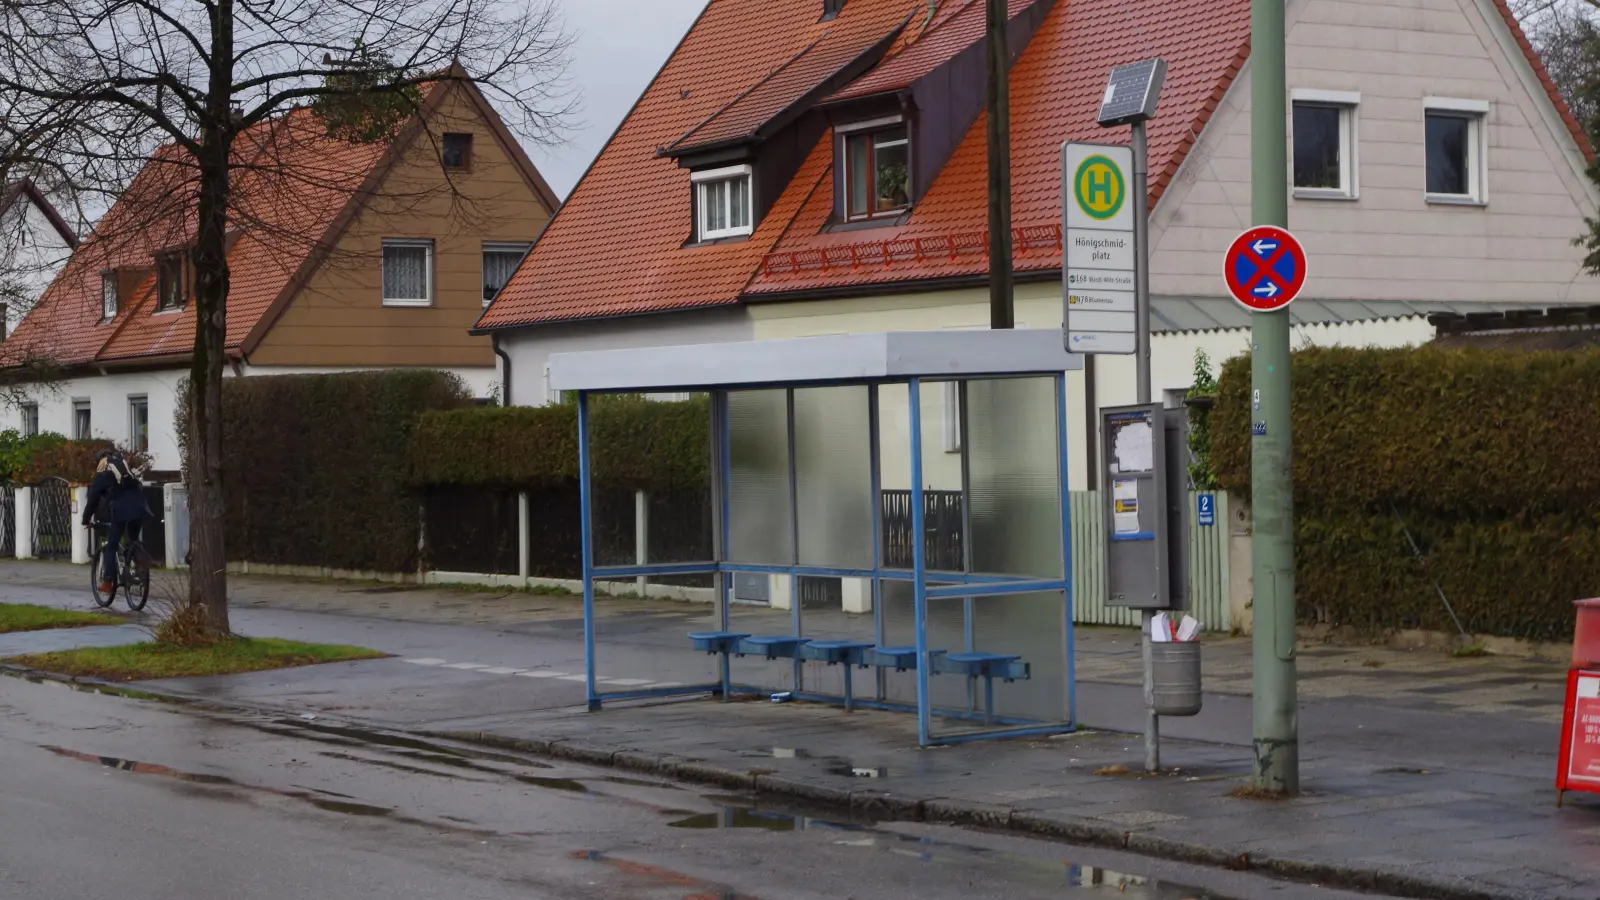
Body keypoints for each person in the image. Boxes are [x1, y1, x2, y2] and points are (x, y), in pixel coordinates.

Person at [81, 448, 151, 595]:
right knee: (132, 541)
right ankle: (139, 566)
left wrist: (86, 519)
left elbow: (93, 499)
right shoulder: (125, 470)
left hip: (120, 510)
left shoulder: (102, 475)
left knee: (111, 546)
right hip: (139, 507)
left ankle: (107, 582)